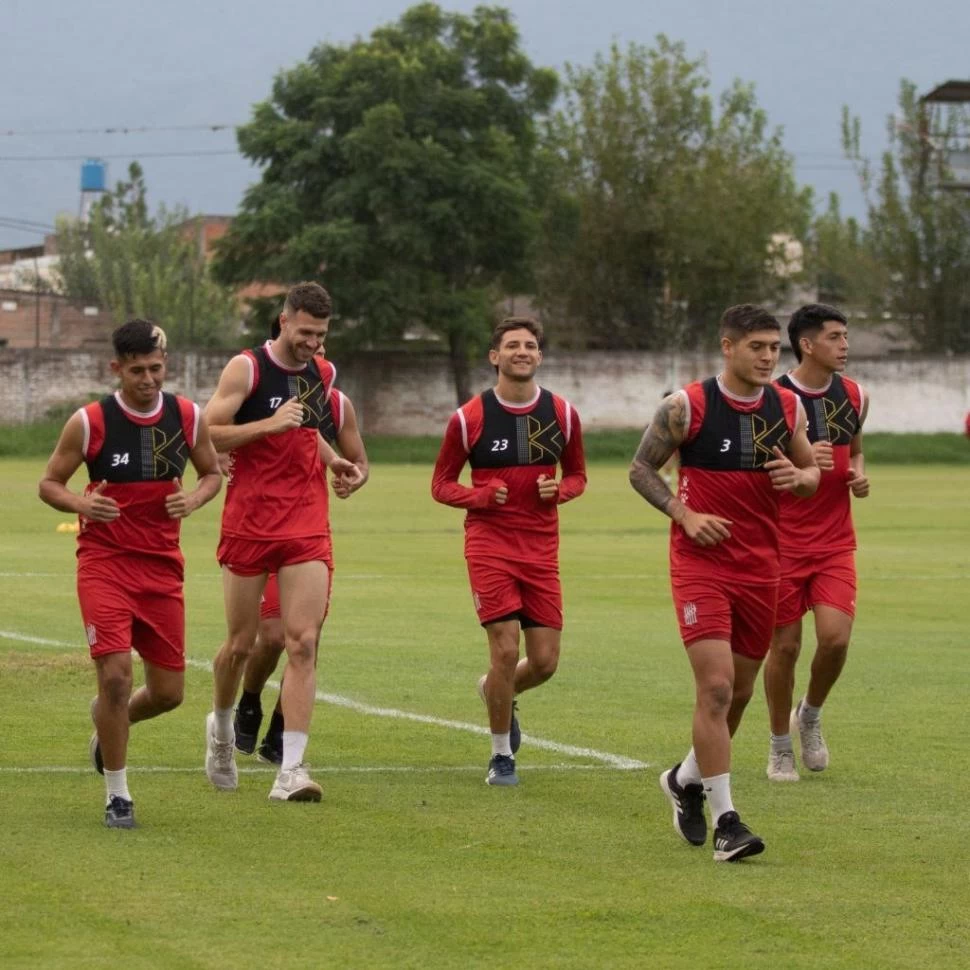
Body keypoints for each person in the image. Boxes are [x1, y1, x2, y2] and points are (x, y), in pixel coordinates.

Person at [628, 304, 819, 862]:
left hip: (763, 568)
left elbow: (810, 475)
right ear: (727, 346)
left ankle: (684, 779)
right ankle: (727, 822)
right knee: (714, 688)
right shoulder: (685, 406)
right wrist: (683, 515)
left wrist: (799, 477)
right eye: (756, 347)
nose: (766, 358)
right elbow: (641, 469)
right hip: (701, 565)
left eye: (773, 349)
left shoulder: (788, 407)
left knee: (737, 693)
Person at [38, 320, 222, 828]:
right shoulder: (89, 421)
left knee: (168, 694)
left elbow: (212, 473)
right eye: (137, 370)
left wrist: (196, 497)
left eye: (156, 369)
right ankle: (118, 795)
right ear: (115, 368)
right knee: (116, 678)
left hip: (162, 569)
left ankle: (109, 724)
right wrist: (80, 502)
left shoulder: (188, 416)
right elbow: (50, 483)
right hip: (104, 565)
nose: (148, 379)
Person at [203, 281, 361, 802]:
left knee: (304, 641)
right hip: (249, 522)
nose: (313, 344)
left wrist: (337, 462)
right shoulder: (246, 368)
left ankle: (291, 769)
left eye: (321, 335)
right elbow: (205, 433)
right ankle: (222, 731)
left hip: (306, 525)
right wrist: (267, 425)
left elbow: (307, 430)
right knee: (239, 645)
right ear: (285, 319)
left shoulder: (324, 373)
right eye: (306, 332)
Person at [431, 316, 586, 787]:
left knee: (544, 663)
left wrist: (559, 491)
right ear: (495, 356)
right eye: (513, 345)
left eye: (531, 345)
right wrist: (476, 496)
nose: (523, 351)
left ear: (539, 357)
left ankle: (494, 691)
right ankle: (501, 756)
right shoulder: (468, 418)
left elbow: (578, 476)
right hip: (489, 546)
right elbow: (440, 485)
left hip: (541, 549)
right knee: (504, 649)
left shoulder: (563, 414)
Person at [233, 385, 369, 765]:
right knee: (271, 636)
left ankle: (281, 735)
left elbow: (359, 460)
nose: (314, 356)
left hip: (309, 535)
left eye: (321, 346)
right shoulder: (256, 390)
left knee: (306, 640)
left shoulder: (338, 403)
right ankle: (248, 700)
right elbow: (214, 433)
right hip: (259, 529)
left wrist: (353, 478)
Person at [763, 304, 869, 782]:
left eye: (846, 335)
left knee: (836, 638)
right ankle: (779, 745)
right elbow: (754, 471)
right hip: (778, 544)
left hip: (833, 543)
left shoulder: (856, 395)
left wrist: (858, 475)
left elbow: (857, 450)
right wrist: (804, 463)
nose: (844, 344)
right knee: (783, 649)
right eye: (834, 336)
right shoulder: (771, 397)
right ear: (807, 344)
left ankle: (809, 714)